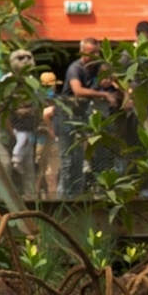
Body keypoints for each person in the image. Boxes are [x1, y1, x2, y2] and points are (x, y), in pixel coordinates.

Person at [56, 37, 118, 197]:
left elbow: (116, 81)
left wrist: (124, 95)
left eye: (97, 52)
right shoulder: (75, 68)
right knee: (69, 162)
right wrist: (103, 94)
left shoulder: (99, 67)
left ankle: (85, 196)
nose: (95, 55)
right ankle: (62, 199)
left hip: (87, 121)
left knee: (93, 160)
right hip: (68, 119)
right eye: (92, 53)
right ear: (82, 51)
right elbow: (78, 90)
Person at [0, 49, 39, 198]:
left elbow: (38, 105)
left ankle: (30, 198)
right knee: (6, 164)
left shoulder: (32, 82)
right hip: (7, 128)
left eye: (29, 57)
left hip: (27, 129)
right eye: (21, 57)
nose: (26, 60)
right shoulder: (6, 82)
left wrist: (28, 111)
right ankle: (5, 198)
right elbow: (1, 108)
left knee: (28, 165)